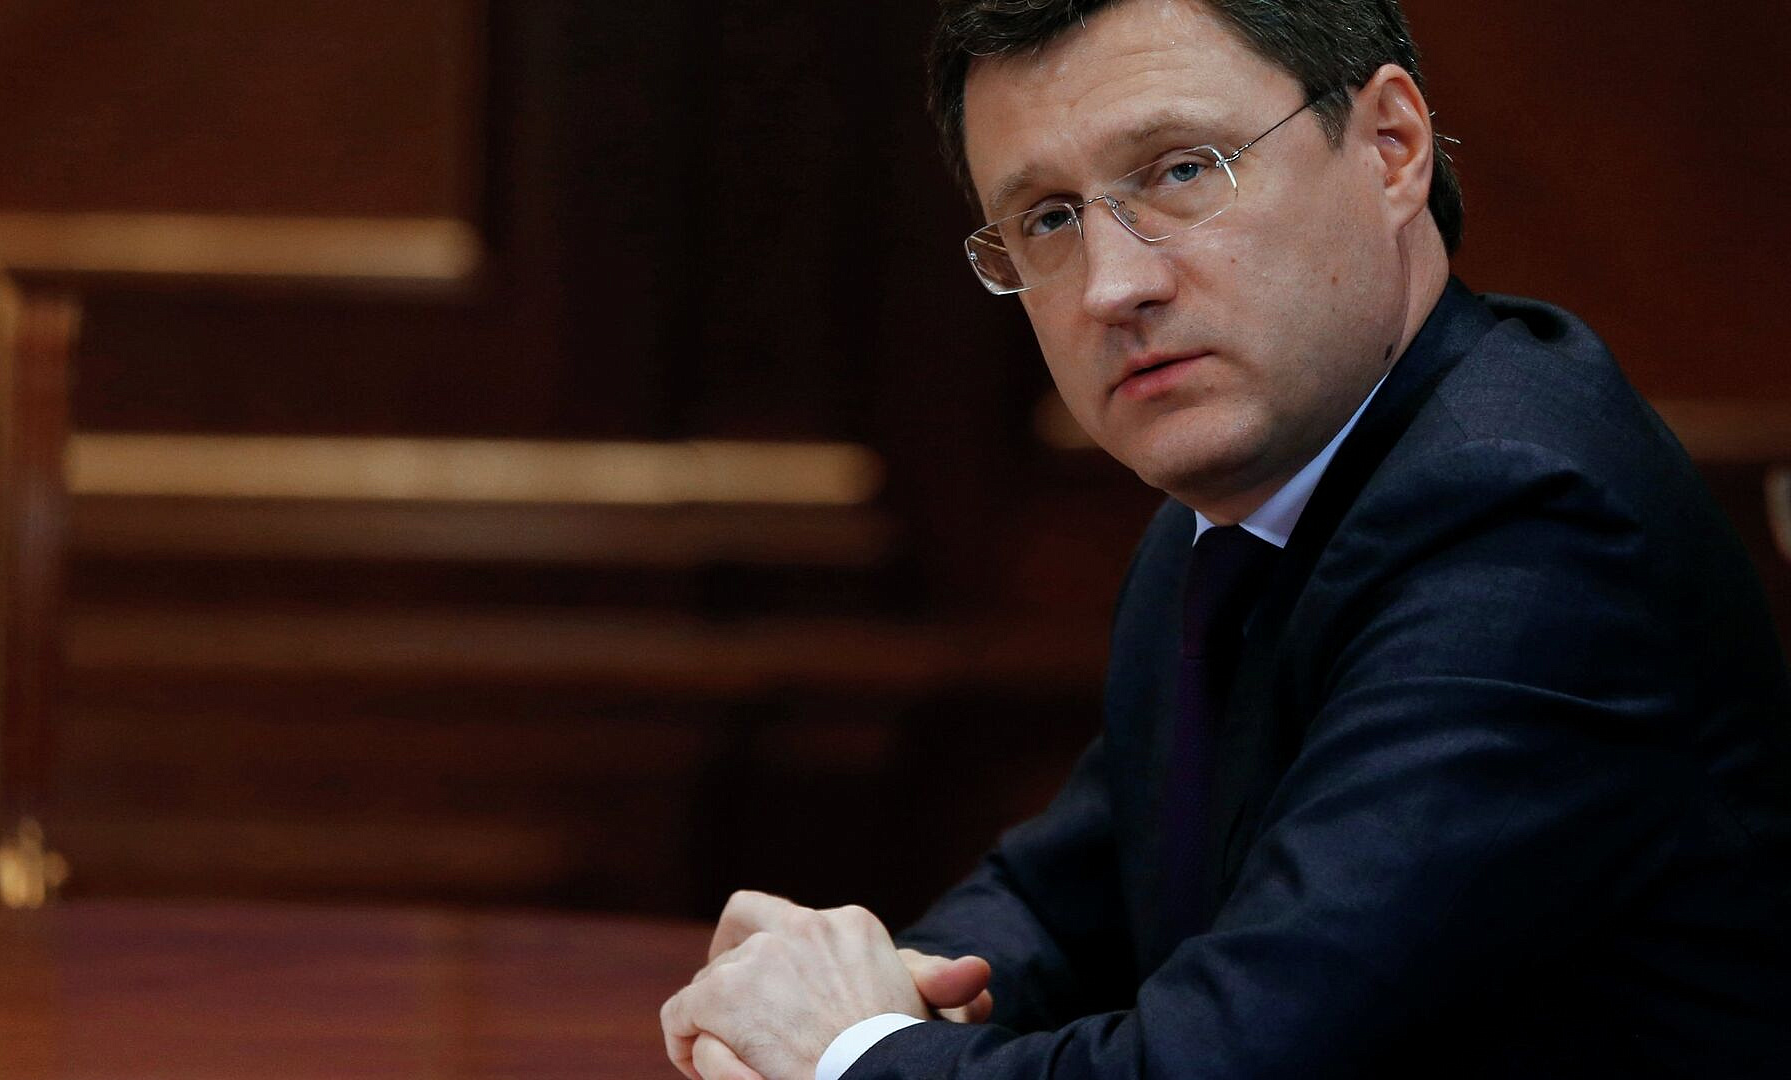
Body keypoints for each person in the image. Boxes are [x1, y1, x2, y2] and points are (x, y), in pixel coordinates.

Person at [661, 0, 1791, 1076]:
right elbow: (1069, 897)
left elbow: (1228, 1061)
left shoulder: (1523, 522)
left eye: (1181, 170)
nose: (1112, 286)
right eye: (1048, 218)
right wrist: (882, 984)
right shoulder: (1239, 515)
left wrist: (850, 1053)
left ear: (1391, 147)